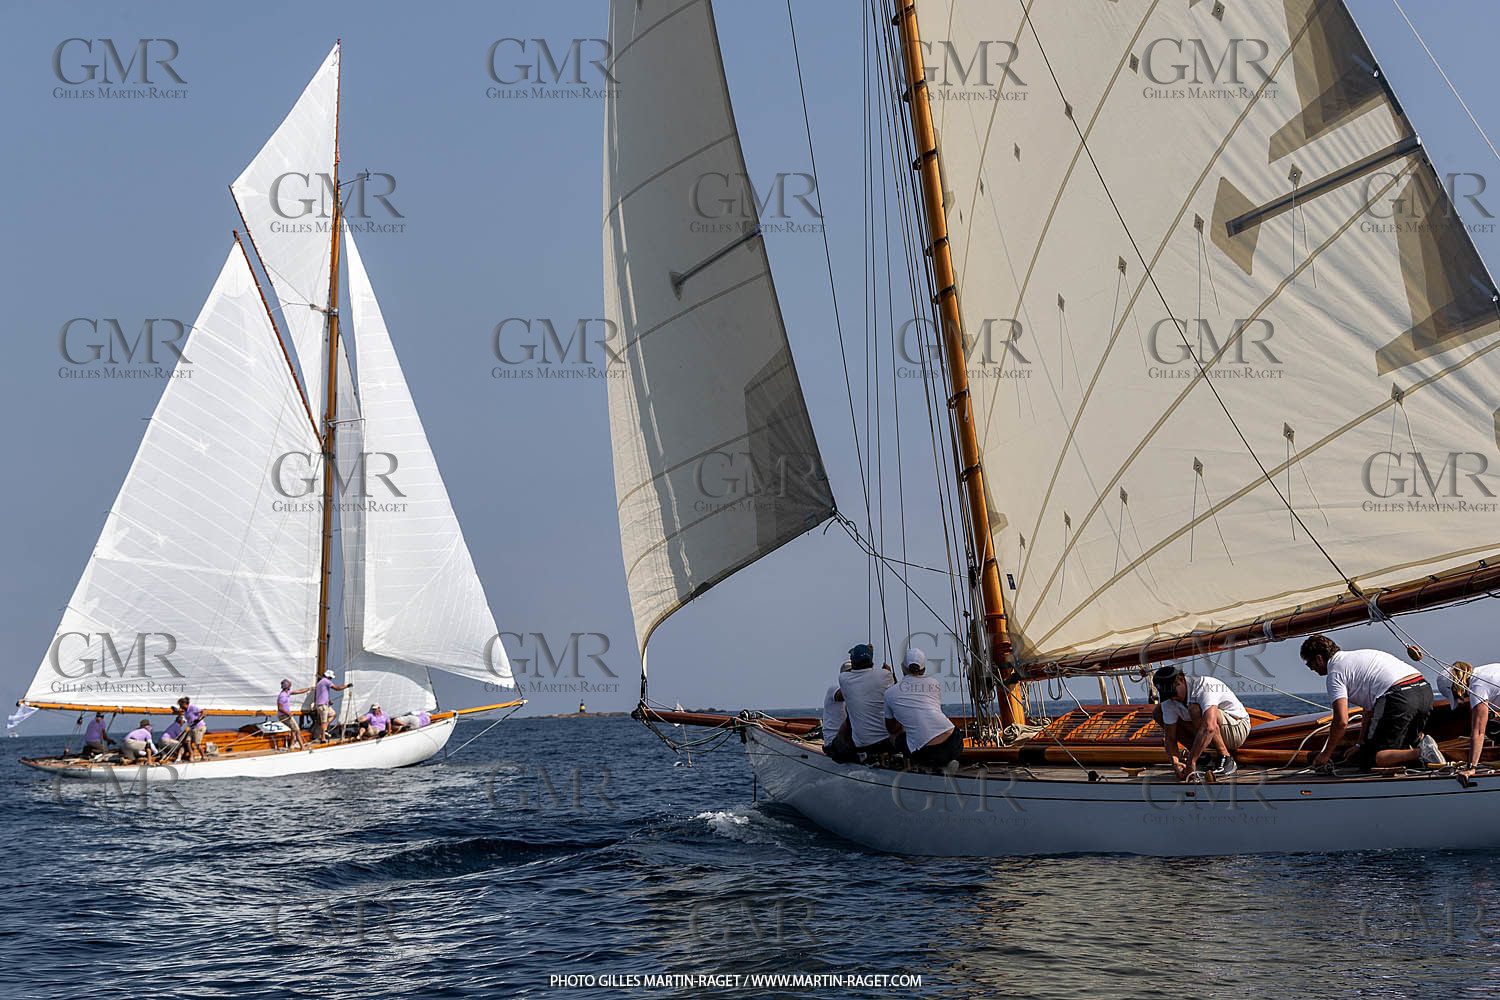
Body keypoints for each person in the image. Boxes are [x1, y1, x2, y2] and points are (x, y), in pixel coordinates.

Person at [1300, 635, 1445, 771]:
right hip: (1423, 690)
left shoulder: (1335, 673)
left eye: (1309, 664)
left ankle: (1422, 752)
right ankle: (1424, 749)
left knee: (1371, 759)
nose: (1312, 669)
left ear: (1319, 659)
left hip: (1397, 695)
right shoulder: (1360, 655)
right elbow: (1368, 710)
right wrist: (1360, 743)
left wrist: (1325, 755)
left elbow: (1341, 721)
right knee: (1404, 744)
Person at [1152, 665, 1250, 780]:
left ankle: (1226, 757)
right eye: (1168, 695)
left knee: (1195, 710)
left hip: (1236, 730)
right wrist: (1175, 763)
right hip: (1208, 733)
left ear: (1181, 680)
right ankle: (1202, 757)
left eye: (1173, 693)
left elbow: (1209, 727)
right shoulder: (1169, 698)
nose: (1172, 698)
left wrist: (1191, 762)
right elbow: (1170, 736)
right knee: (1158, 712)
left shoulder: (1204, 686)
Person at [884, 647, 963, 772]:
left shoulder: (889, 693)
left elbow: (891, 728)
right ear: (924, 669)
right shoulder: (934, 683)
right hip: (953, 742)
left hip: (925, 752)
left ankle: (925, 766)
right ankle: (943, 764)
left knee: (894, 736)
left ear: (902, 667)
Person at [1437, 660, 1500, 772]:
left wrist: (1471, 768)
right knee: (1493, 726)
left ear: (1456, 687)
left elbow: (1479, 732)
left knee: (1490, 728)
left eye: (1456, 696)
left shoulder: (1477, 687)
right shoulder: (1484, 671)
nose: (1461, 701)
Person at [838, 643, 897, 758]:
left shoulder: (844, 679)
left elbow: (864, 676)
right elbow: (898, 693)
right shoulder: (885, 675)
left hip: (863, 745)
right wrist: (889, 673)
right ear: (871, 660)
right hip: (887, 742)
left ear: (852, 661)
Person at [291, 674, 349, 742]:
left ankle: (324, 727)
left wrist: (327, 701)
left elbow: (321, 694)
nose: (331, 679)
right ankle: (323, 738)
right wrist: (347, 686)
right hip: (323, 706)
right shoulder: (326, 681)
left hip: (323, 705)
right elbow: (337, 688)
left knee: (333, 715)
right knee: (323, 723)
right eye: (330, 677)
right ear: (328, 677)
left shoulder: (319, 682)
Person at [822, 660, 857, 763]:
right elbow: (844, 695)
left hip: (850, 738)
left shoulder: (858, 693)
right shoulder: (834, 689)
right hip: (833, 740)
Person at [274, 679, 305, 749]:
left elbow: (298, 691)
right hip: (284, 716)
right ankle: (302, 747)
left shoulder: (287, 692)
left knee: (293, 729)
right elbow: (280, 708)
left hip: (285, 715)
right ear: (288, 686)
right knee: (297, 730)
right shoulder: (283, 696)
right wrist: (288, 713)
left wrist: (308, 689)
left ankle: (292, 745)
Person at [178, 697, 208, 761]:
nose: (180, 706)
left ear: (185, 704)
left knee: (197, 744)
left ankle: (204, 757)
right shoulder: (185, 712)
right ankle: (191, 755)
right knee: (187, 741)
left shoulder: (192, 708)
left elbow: (204, 712)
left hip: (199, 727)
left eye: (180, 705)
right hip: (192, 728)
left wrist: (199, 719)